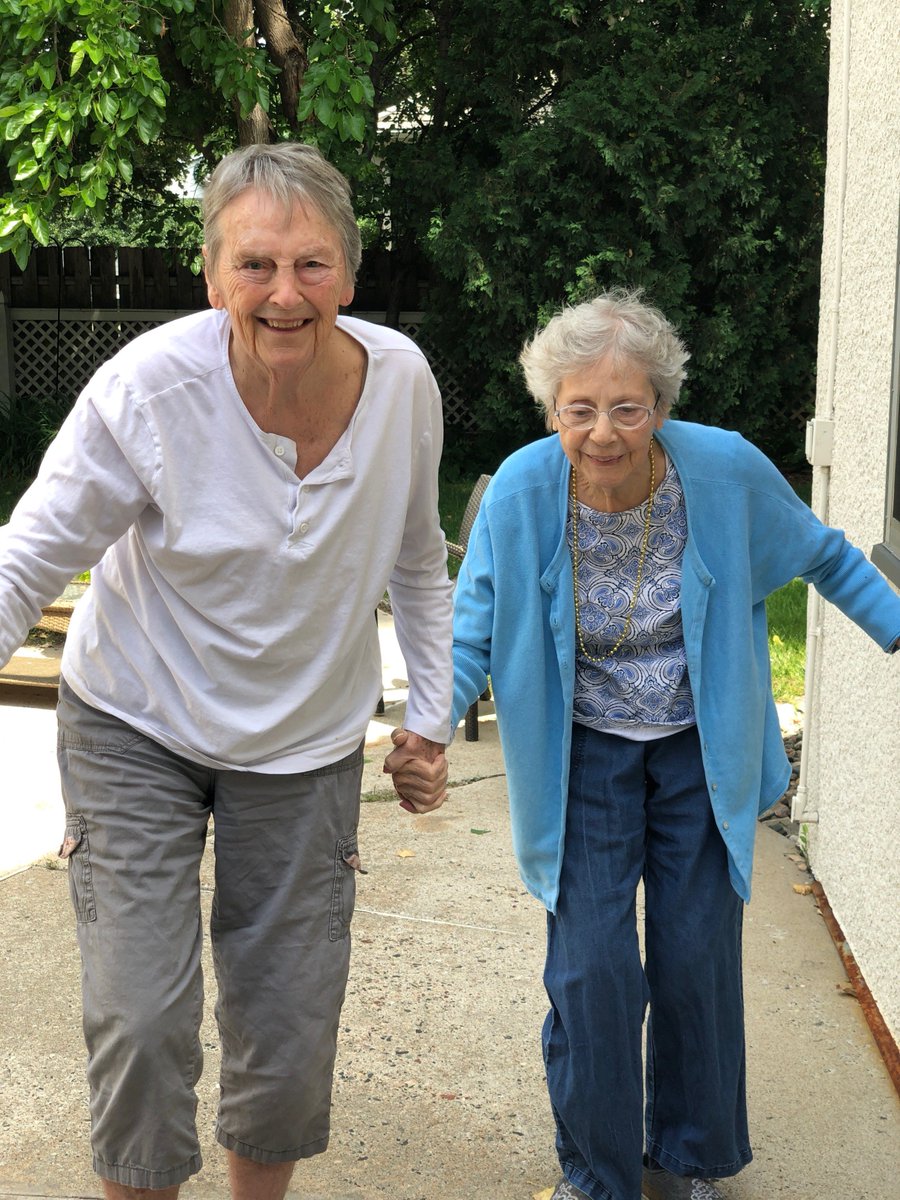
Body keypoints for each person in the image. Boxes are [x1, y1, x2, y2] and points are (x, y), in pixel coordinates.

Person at [0, 142, 452, 1199]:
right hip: (136, 722)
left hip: (304, 745)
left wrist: (427, 718)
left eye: (310, 265)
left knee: (289, 1022)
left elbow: (420, 562)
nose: (285, 293)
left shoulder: (402, 387)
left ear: (350, 271)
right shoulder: (149, 391)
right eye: (256, 265)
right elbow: (28, 556)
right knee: (143, 1017)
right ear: (212, 280)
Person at [449, 290, 900, 1200]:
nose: (605, 432)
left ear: (662, 405)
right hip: (582, 755)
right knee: (592, 968)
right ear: (551, 410)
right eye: (581, 409)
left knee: (696, 958)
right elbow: (474, 628)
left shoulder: (722, 471)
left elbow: (824, 553)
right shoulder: (525, 490)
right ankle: (598, 1174)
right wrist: (429, 726)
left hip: (700, 749)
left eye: (628, 407)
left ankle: (689, 1158)